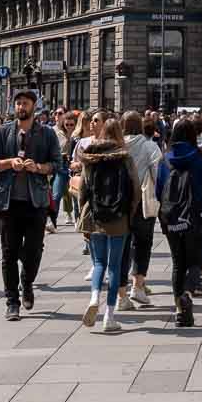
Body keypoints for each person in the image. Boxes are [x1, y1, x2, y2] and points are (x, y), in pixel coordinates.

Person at [0, 91, 59, 321]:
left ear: (34, 107)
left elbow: (57, 164)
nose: (21, 106)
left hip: (36, 201)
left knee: (34, 250)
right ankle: (12, 302)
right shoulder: (1, 132)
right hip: (8, 202)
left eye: (25, 103)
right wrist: (9, 162)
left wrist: (37, 168)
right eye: (18, 103)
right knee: (8, 253)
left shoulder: (47, 134)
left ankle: (27, 282)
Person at [74, 117, 135, 332]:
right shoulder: (125, 158)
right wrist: (129, 214)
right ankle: (109, 315)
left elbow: (82, 189)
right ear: (119, 134)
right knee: (115, 266)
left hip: (96, 216)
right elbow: (135, 190)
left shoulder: (90, 156)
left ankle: (93, 299)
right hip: (119, 218)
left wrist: (84, 212)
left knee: (99, 263)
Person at [155, 115, 202, 327]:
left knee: (178, 263)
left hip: (171, 216)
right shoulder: (200, 157)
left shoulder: (165, 158)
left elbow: (158, 189)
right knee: (195, 262)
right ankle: (188, 293)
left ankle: (181, 312)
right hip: (195, 215)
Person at [121, 113, 162, 307]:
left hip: (119, 204)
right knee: (143, 243)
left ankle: (120, 295)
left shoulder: (116, 145)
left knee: (121, 247)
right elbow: (157, 175)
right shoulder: (150, 146)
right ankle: (137, 286)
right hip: (142, 203)